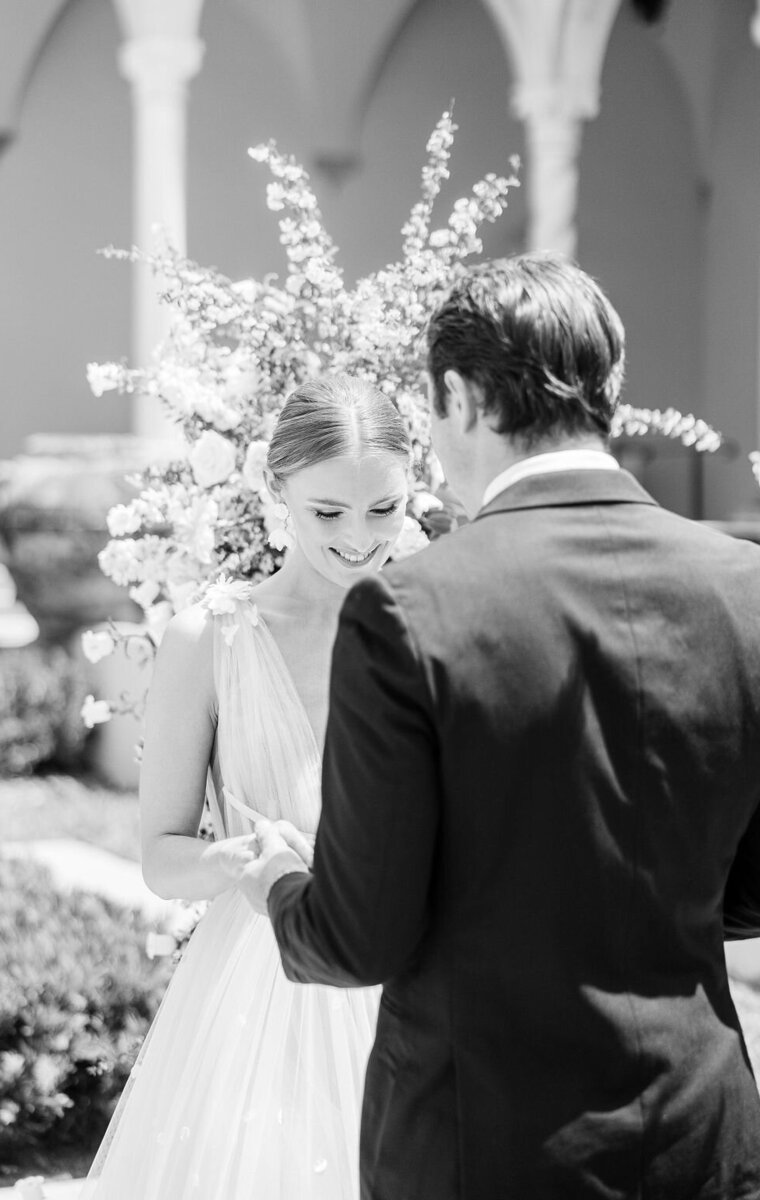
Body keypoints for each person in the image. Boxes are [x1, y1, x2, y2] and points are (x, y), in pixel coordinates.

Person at [242, 253, 760, 1200]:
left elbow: (359, 938)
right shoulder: (748, 590)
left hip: (483, 1144)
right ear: (609, 388)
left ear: (460, 396)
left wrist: (281, 885)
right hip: (703, 1132)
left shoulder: (407, 612)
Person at [80, 374, 411, 1199]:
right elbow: (160, 855)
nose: (360, 538)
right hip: (256, 994)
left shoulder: (434, 626)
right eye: (327, 513)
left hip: (409, 980)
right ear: (275, 489)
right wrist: (242, 865)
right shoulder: (210, 638)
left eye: (384, 510)